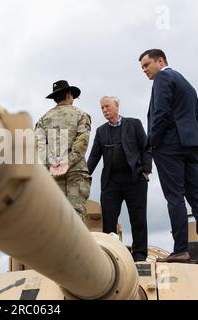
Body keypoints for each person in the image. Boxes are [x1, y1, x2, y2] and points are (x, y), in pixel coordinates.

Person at [139, 49, 198, 264]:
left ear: (160, 61)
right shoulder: (188, 85)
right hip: (191, 145)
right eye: (142, 67)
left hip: (170, 146)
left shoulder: (163, 77)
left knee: (175, 196)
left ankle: (181, 249)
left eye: (146, 65)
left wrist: (151, 142)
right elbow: (195, 118)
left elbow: (160, 113)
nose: (144, 70)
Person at [87, 96, 151, 261]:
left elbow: (146, 148)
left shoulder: (134, 124)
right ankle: (110, 255)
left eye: (107, 106)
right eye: (102, 108)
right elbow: (94, 156)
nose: (104, 110)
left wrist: (146, 170)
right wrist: (84, 175)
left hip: (135, 179)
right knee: (109, 220)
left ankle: (139, 255)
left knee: (138, 218)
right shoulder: (101, 131)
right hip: (111, 181)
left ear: (117, 106)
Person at [35, 80, 92, 221]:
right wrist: (67, 162)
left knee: (56, 216)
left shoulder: (43, 120)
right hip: (76, 171)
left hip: (53, 172)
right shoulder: (81, 115)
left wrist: (53, 164)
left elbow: (39, 147)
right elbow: (82, 143)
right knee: (76, 215)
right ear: (68, 95)